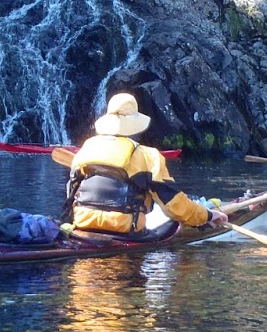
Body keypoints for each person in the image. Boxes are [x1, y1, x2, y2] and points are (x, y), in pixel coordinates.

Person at [65, 93, 228, 236]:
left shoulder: (86, 148)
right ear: (135, 127)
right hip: (126, 231)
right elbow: (173, 205)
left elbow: (71, 192)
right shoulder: (148, 155)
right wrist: (207, 216)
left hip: (83, 225)